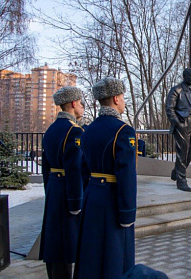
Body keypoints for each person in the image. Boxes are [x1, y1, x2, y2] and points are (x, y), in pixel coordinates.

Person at [74, 77, 137, 279]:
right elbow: (126, 175)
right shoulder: (123, 130)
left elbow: (83, 169)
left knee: (92, 254)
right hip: (112, 200)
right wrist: (127, 212)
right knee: (115, 256)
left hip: (92, 197)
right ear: (117, 98)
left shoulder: (87, 130)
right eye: (123, 97)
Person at [39, 86, 85, 279]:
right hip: (67, 190)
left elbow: (45, 168)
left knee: (54, 242)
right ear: (73, 104)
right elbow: (75, 169)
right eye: (81, 103)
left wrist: (49, 189)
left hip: (54, 188)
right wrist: (76, 202)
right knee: (66, 244)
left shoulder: (50, 130)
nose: (83, 107)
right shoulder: (73, 131)